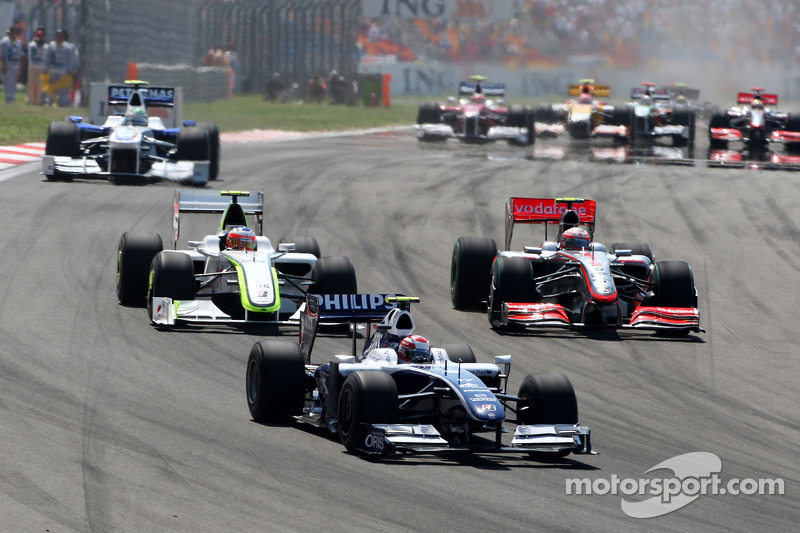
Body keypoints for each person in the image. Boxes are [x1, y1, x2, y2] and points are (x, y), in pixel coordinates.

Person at [43, 29, 79, 107]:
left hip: (63, 70)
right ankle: (50, 101)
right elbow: (47, 57)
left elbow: (72, 59)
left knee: (63, 87)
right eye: (57, 35)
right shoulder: (51, 45)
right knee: (51, 85)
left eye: (60, 35)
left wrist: (71, 70)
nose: (58, 37)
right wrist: (45, 68)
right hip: (52, 69)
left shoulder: (69, 47)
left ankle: (63, 102)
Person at [0, 26, 24, 104]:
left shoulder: (18, 42)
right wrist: (3, 66)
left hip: (15, 65)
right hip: (7, 65)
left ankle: (12, 98)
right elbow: (2, 55)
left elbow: (20, 55)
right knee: (8, 82)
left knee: (13, 82)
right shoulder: (5, 42)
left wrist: (20, 67)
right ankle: (9, 98)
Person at [27, 27, 47, 105]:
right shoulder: (32, 45)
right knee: (30, 85)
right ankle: (29, 100)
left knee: (39, 86)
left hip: (40, 67)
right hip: (33, 66)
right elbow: (30, 55)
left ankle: (37, 101)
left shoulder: (45, 46)